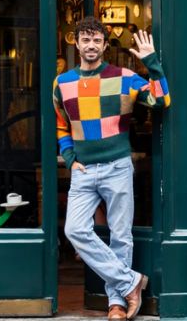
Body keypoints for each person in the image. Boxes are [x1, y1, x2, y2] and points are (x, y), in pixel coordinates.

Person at [54, 16, 171, 320]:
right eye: (85, 40)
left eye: (96, 40)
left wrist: (151, 61)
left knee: (121, 235)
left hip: (118, 166)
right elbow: (61, 127)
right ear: (76, 43)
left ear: (105, 45)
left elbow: (162, 100)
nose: (91, 45)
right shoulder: (62, 83)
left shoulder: (125, 77)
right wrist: (70, 160)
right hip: (83, 171)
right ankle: (130, 281)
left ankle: (116, 303)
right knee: (75, 229)